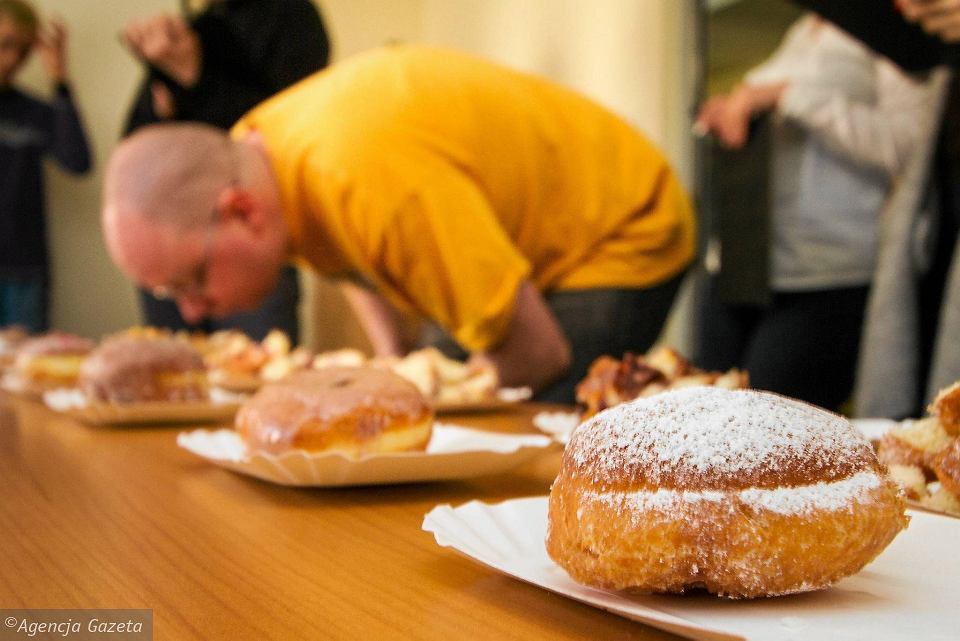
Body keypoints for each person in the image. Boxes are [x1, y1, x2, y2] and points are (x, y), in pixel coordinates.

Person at [100, 45, 696, 403]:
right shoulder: (257, 157)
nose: (192, 313)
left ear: (241, 212)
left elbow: (538, 352)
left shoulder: (372, 185)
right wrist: (390, 353)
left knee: (518, 423)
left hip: (623, 225)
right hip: (518, 236)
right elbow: (345, 253)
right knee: (426, 385)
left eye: (191, 282)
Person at [693, 15, 933, 413]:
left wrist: (788, 96)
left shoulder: (889, 29)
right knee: (700, 413)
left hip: (829, 275)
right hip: (745, 269)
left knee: (770, 424)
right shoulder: (801, 30)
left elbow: (911, 146)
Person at [121, 0, 330, 343]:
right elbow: (138, 146)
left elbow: (281, 133)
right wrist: (165, 82)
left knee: (259, 360)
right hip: (171, 242)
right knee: (173, 370)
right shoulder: (200, 26)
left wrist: (193, 75)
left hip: (246, 238)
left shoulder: (293, 17)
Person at [0, 0, 90, 333]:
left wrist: (60, 79)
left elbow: (77, 161)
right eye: (5, 44)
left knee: (29, 363)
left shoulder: (34, 112)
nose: (12, 59)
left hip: (24, 271)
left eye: (23, 50)